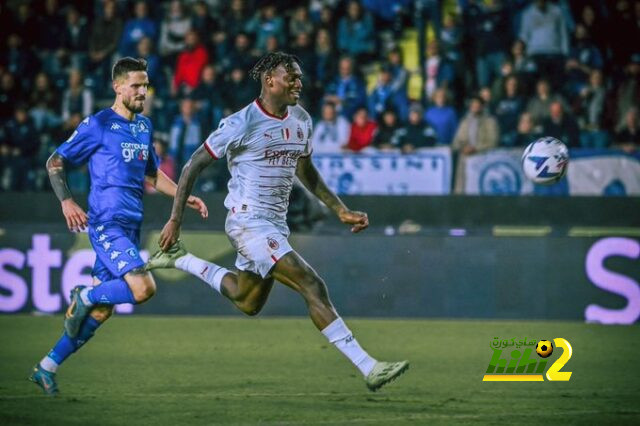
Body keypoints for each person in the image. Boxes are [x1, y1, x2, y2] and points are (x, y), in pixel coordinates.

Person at [147, 52, 408, 391]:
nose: (299, 83)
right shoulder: (241, 123)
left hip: (274, 224)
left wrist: (339, 210)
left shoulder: (301, 119)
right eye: (292, 77)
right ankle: (368, 366)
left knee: (247, 300)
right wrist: (174, 221)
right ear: (270, 80)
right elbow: (191, 166)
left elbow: (306, 170)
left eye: (299, 77)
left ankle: (180, 258)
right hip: (247, 222)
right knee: (311, 284)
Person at [29, 57, 208, 396]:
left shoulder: (143, 127)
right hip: (105, 223)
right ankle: (85, 294)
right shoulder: (98, 124)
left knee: (101, 313)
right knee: (143, 289)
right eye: (137, 86)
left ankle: (46, 366)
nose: (143, 91)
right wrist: (67, 200)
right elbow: (55, 160)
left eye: (146, 85)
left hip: (131, 226)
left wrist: (184, 197)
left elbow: (153, 175)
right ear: (118, 87)